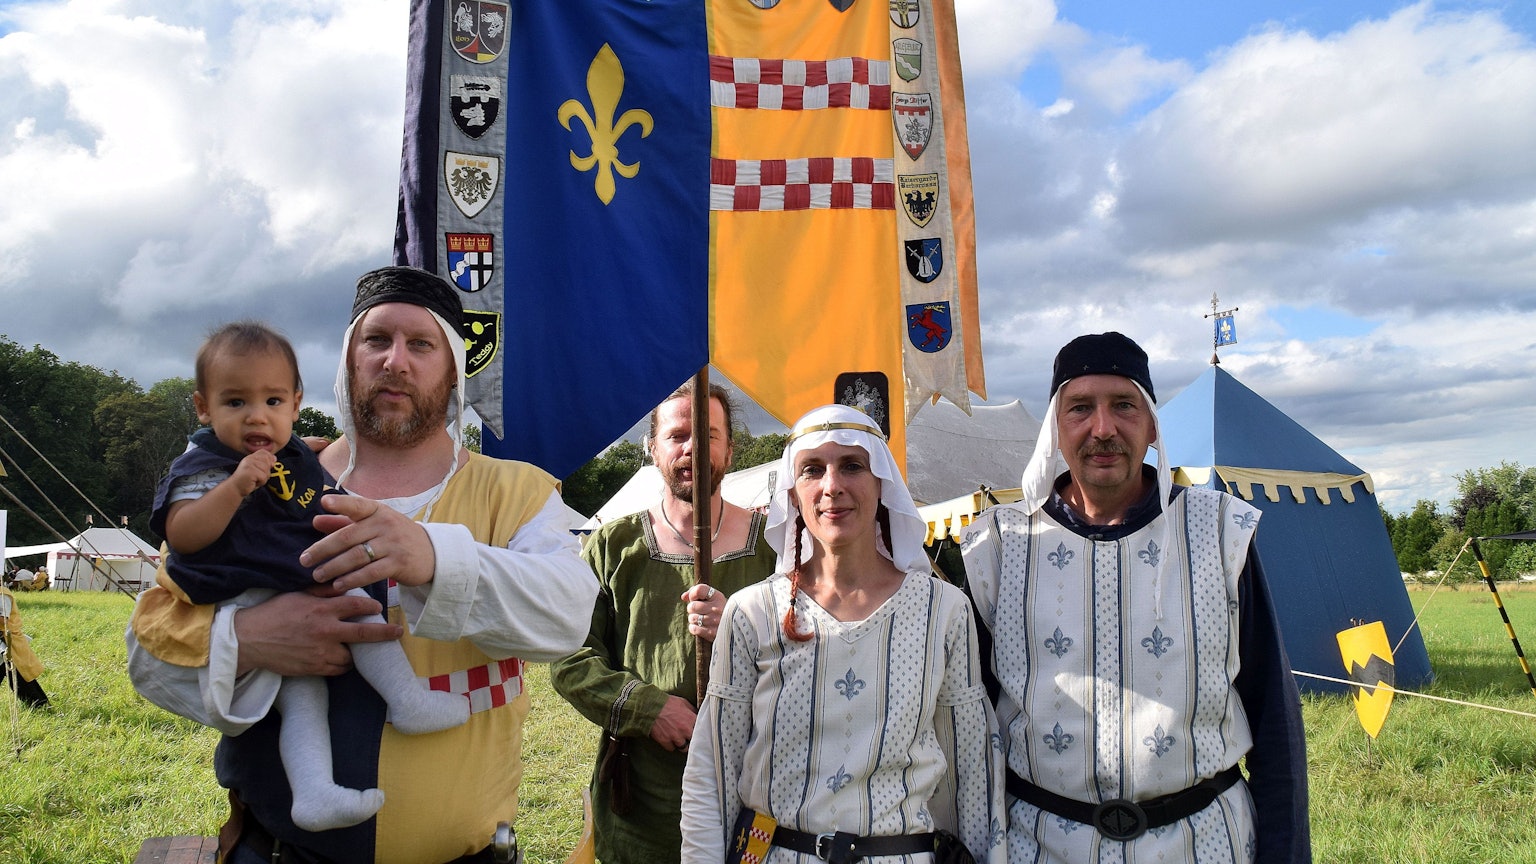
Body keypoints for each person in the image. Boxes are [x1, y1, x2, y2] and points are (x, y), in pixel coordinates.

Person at [126, 266, 599, 864]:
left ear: (453, 369)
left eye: (421, 344)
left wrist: (431, 556)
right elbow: (148, 653)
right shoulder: (256, 477)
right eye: (376, 341)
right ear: (348, 361)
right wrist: (246, 639)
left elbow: (569, 616)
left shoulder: (516, 492)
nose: (395, 361)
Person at [959, 332, 1309, 863]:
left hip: (1204, 845)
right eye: (1080, 408)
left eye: (1124, 405)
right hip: (1040, 847)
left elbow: (1273, 718)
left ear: (1150, 426)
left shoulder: (1220, 533)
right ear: (1056, 427)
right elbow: (968, 727)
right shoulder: (999, 548)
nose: (1103, 429)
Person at [149, 321, 470, 833]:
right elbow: (183, 534)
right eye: (235, 403)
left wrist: (299, 451)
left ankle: (316, 793)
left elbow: (292, 471)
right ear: (203, 408)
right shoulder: (205, 465)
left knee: (307, 691)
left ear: (296, 404)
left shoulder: (291, 451)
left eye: (273, 402)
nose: (257, 416)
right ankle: (405, 701)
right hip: (243, 587)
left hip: (283, 577)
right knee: (355, 602)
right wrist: (233, 489)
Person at [679, 404, 1006, 864]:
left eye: (852, 466)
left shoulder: (942, 611)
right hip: (769, 853)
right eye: (812, 470)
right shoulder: (752, 611)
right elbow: (713, 770)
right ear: (793, 494)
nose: (832, 486)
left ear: (882, 484)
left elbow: (971, 768)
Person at [551, 381, 776, 864]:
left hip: (759, 789)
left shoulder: (775, 548)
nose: (693, 447)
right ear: (652, 449)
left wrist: (742, 627)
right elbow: (569, 657)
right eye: (678, 436)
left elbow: (816, 652)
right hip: (645, 801)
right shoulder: (614, 546)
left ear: (730, 450)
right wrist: (648, 708)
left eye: (709, 435)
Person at [0, 582, 49, 707]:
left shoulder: (2, 594)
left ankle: (40, 705)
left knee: (20, 677)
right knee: (16, 676)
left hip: (8, 641)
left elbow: (3, 620)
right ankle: (39, 704)